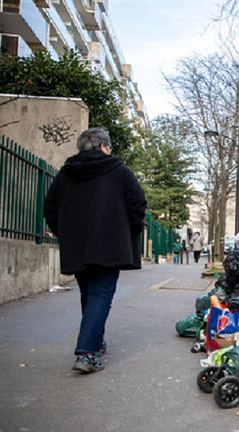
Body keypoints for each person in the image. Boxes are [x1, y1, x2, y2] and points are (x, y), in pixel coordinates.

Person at [44, 127, 147, 374]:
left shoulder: (66, 173)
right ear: (103, 146)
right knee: (100, 295)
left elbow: (50, 207)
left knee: (89, 294)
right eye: (109, 147)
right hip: (109, 244)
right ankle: (86, 352)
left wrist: (64, 232)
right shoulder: (118, 170)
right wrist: (127, 231)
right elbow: (137, 204)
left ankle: (95, 342)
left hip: (76, 244)